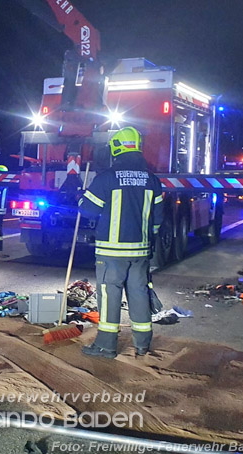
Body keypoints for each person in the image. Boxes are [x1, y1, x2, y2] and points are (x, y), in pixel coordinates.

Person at [78, 127, 163, 359]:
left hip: (111, 252)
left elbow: (87, 211)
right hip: (141, 252)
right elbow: (157, 220)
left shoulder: (106, 178)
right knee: (139, 294)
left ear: (116, 148)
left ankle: (106, 346)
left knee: (109, 295)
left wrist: (82, 196)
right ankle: (142, 345)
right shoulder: (152, 180)